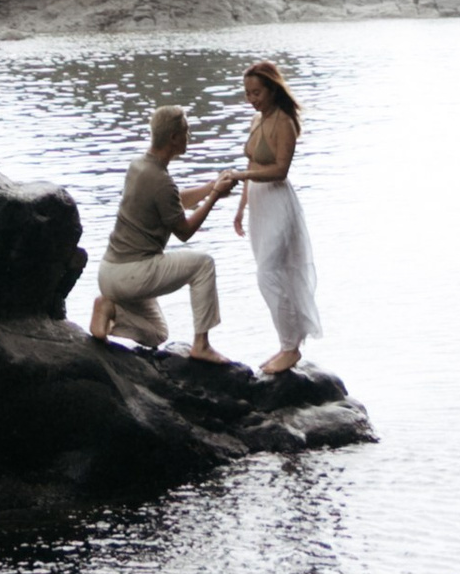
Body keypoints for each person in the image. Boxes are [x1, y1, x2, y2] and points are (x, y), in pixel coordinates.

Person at [87, 106, 237, 359]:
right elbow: (184, 231)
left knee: (157, 333)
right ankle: (201, 345)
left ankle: (110, 309)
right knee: (203, 265)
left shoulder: (138, 166)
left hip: (110, 273)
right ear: (174, 138)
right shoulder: (161, 180)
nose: (189, 136)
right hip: (133, 273)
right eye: (186, 132)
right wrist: (214, 196)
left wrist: (211, 187)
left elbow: (172, 203)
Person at [226, 58, 319, 375]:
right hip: (258, 205)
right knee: (271, 272)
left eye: (257, 93)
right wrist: (241, 207)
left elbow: (280, 170)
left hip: (278, 204)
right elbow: (253, 166)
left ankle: (291, 348)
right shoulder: (257, 120)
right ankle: (286, 343)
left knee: (269, 273)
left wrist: (241, 176)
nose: (251, 99)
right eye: (247, 93)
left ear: (273, 90)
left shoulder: (284, 122)